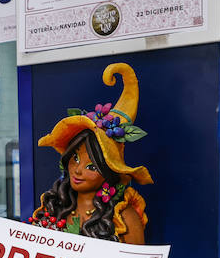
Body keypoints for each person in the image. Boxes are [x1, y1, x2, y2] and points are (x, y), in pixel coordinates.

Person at [29, 63, 150, 243]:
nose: (77, 170)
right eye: (75, 158)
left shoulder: (123, 217)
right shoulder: (54, 207)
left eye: (91, 166)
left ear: (109, 170)